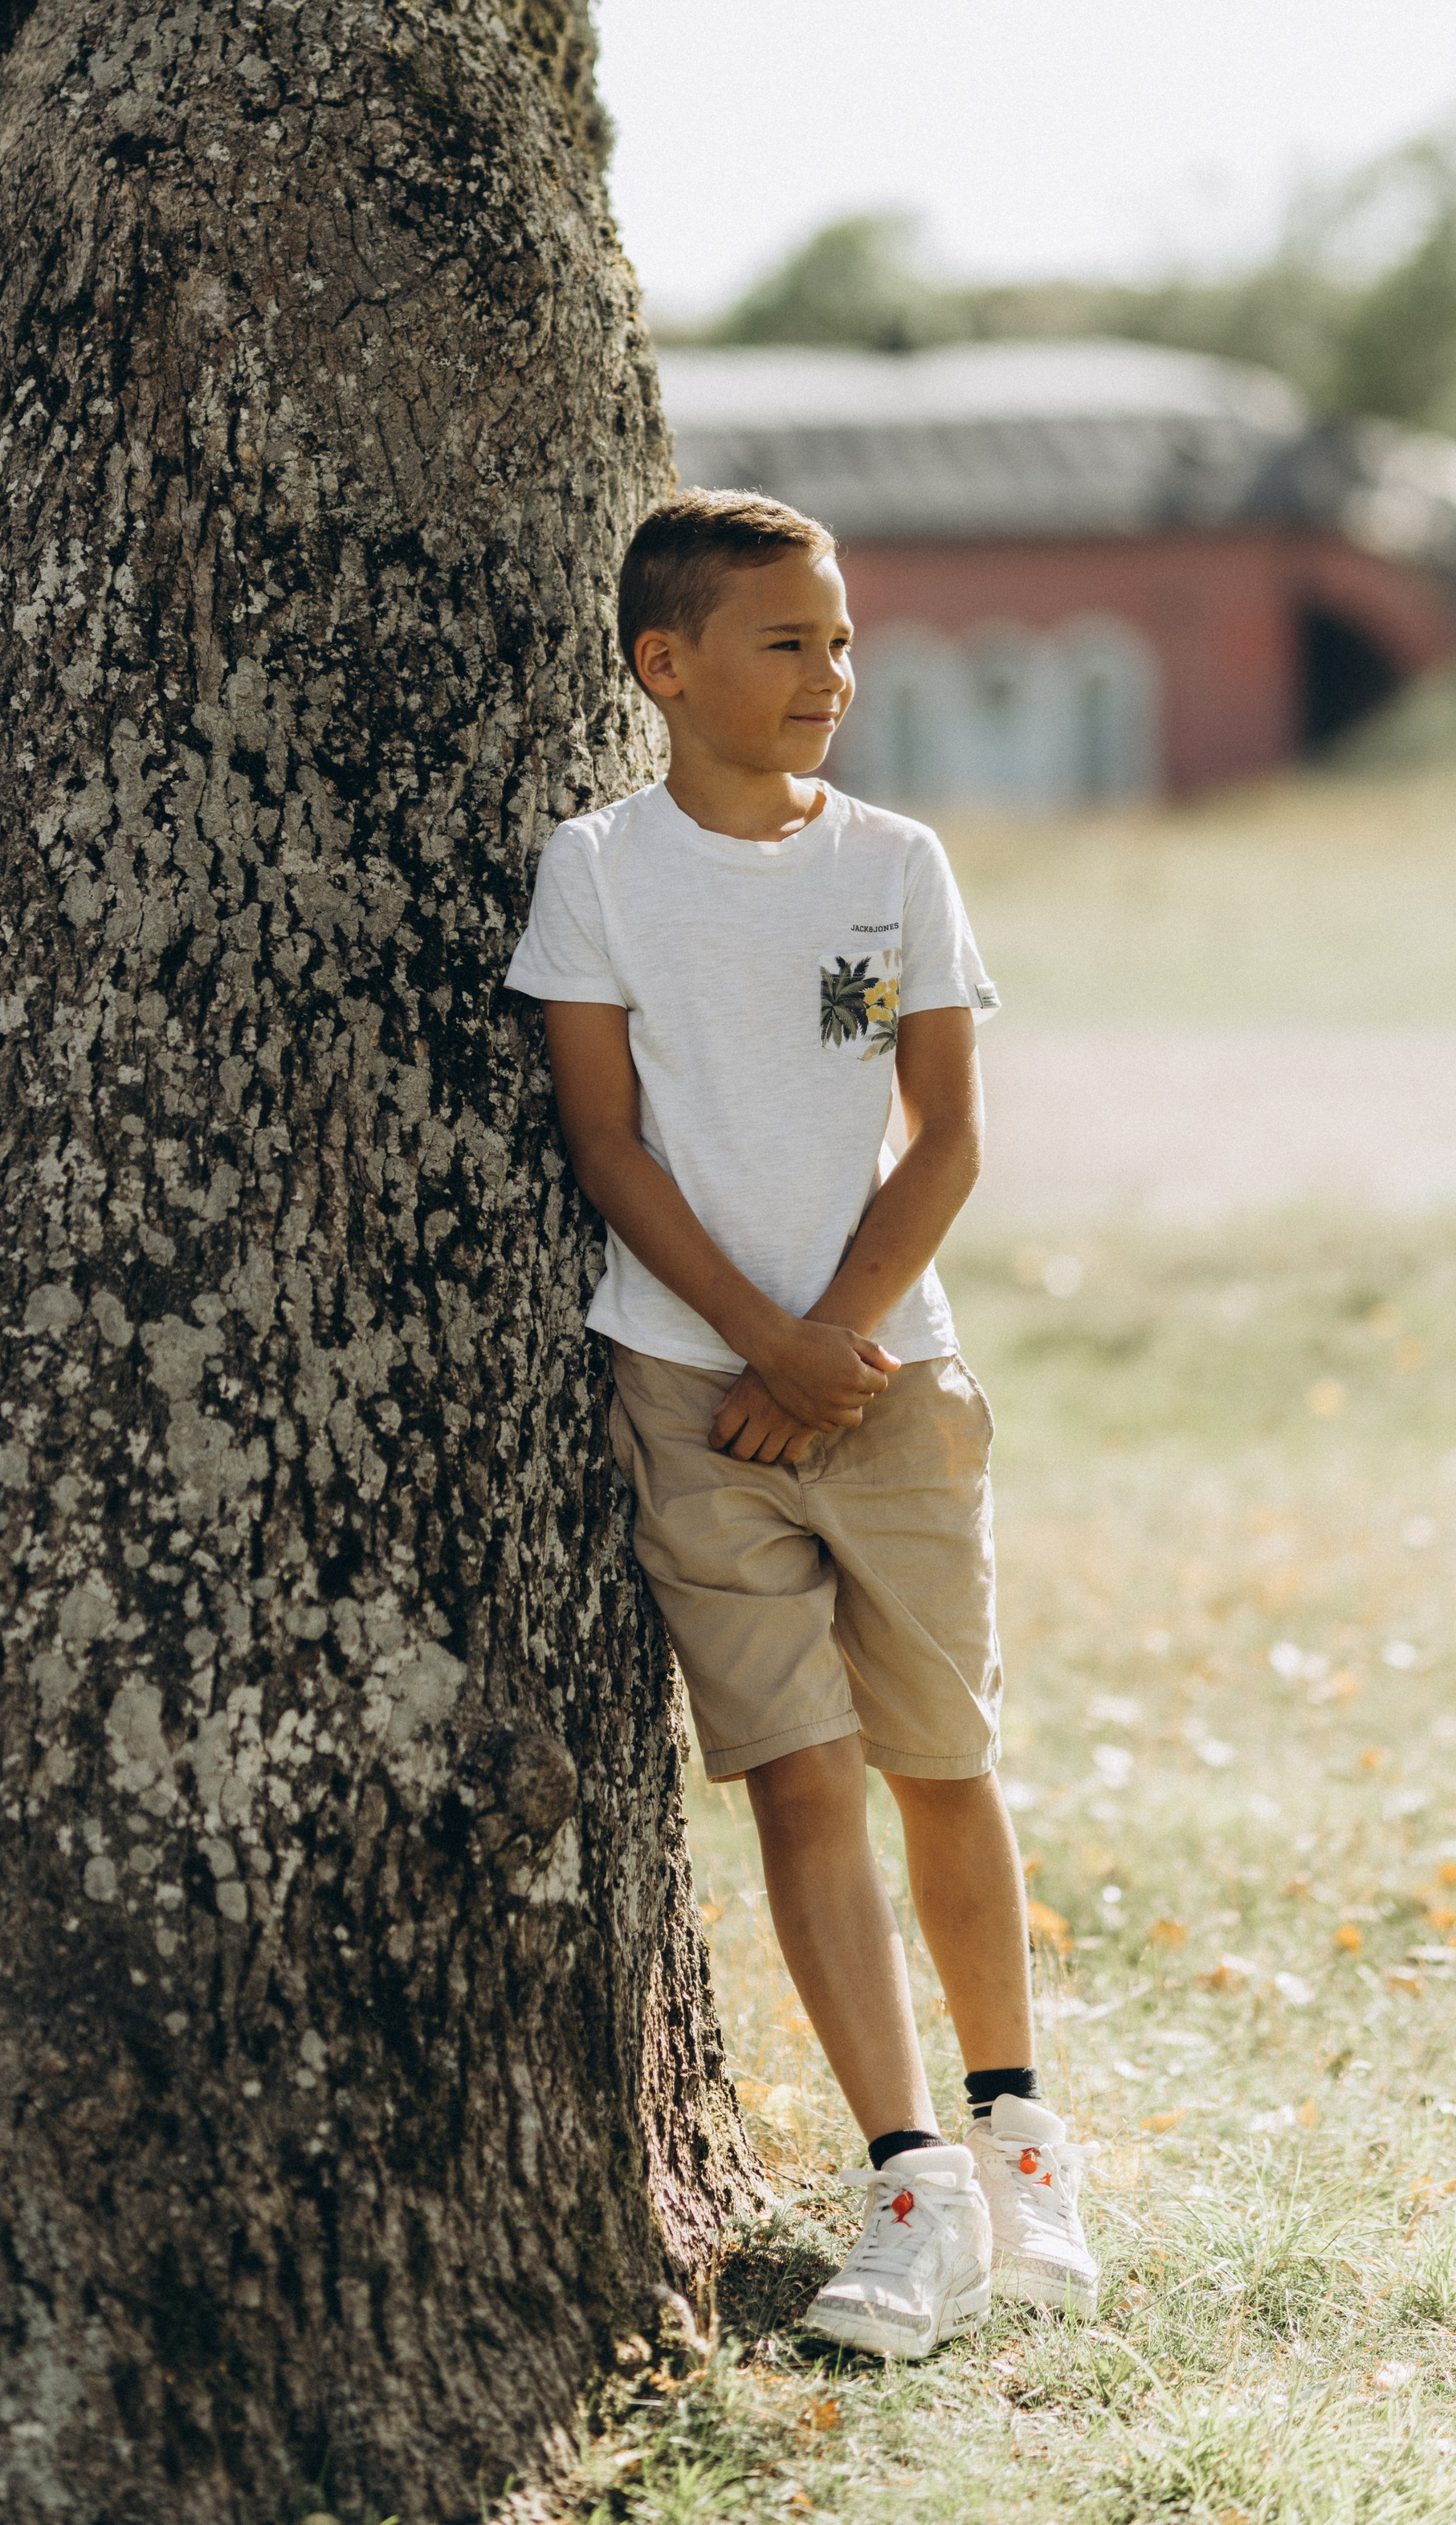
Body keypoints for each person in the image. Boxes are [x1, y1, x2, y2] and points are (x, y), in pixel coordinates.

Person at [505, 487, 1097, 2359]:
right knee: (797, 1767)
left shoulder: (897, 861)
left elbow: (947, 1137)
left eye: (839, 639)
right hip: (688, 1393)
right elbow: (603, 1136)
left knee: (938, 1754)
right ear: (661, 666)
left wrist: (831, 1339)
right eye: (786, 641)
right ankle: (907, 2176)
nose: (829, 672)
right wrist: (751, 1342)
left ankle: (1019, 2135)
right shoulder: (595, 871)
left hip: (884, 1382)